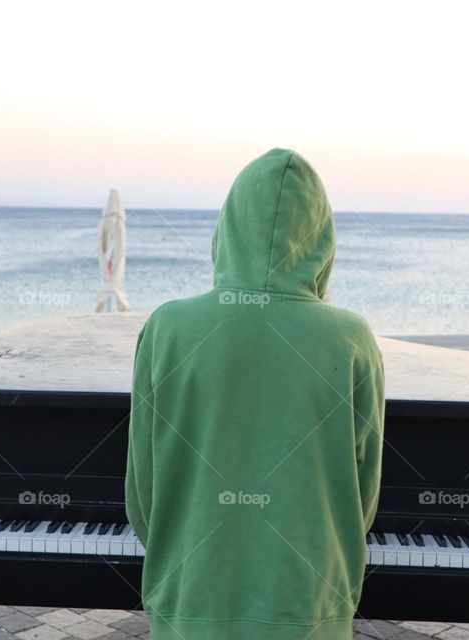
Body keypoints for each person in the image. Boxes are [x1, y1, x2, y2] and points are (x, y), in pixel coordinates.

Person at [125, 148, 385, 640]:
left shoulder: (167, 327)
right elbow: (363, 493)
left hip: (190, 601)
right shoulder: (352, 337)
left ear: (227, 229)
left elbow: (143, 487)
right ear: (322, 239)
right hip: (310, 607)